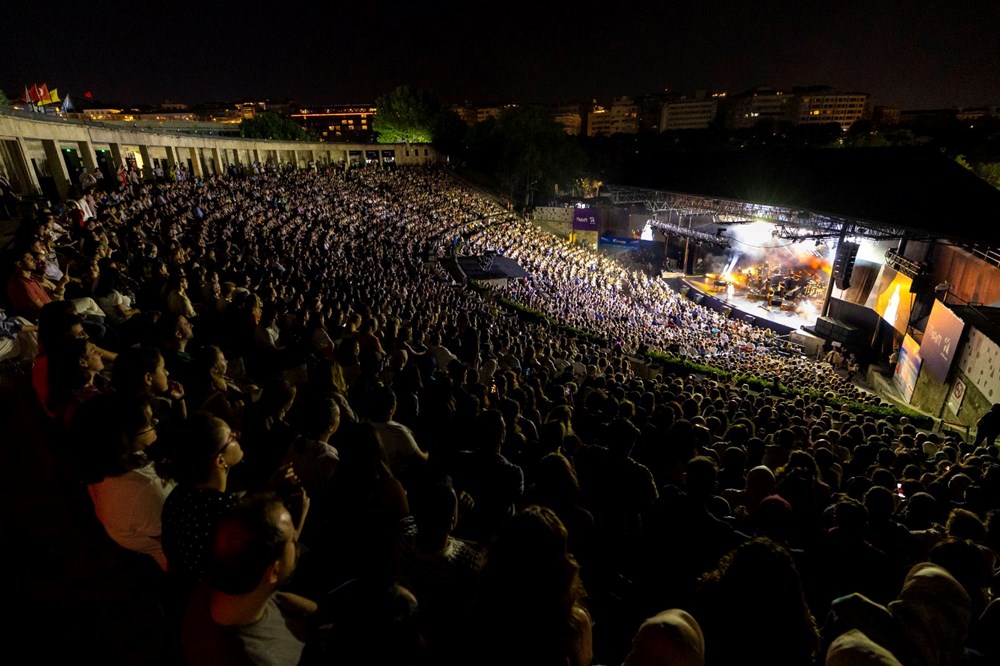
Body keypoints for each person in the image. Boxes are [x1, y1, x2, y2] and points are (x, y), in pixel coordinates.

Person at [181, 492, 316, 666]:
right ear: (273, 572)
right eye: (292, 541)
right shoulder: (255, 658)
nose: (296, 539)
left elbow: (280, 600)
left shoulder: (219, 585)